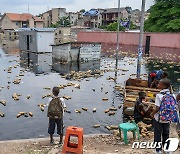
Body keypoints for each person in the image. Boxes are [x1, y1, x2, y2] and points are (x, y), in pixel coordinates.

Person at [150, 79, 178, 153]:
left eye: (159, 84)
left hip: (159, 118)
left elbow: (157, 108)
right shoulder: (173, 95)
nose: (158, 85)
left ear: (163, 86)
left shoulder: (159, 95)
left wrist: (152, 114)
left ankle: (158, 150)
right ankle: (167, 149)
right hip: (168, 118)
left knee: (157, 134)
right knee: (166, 133)